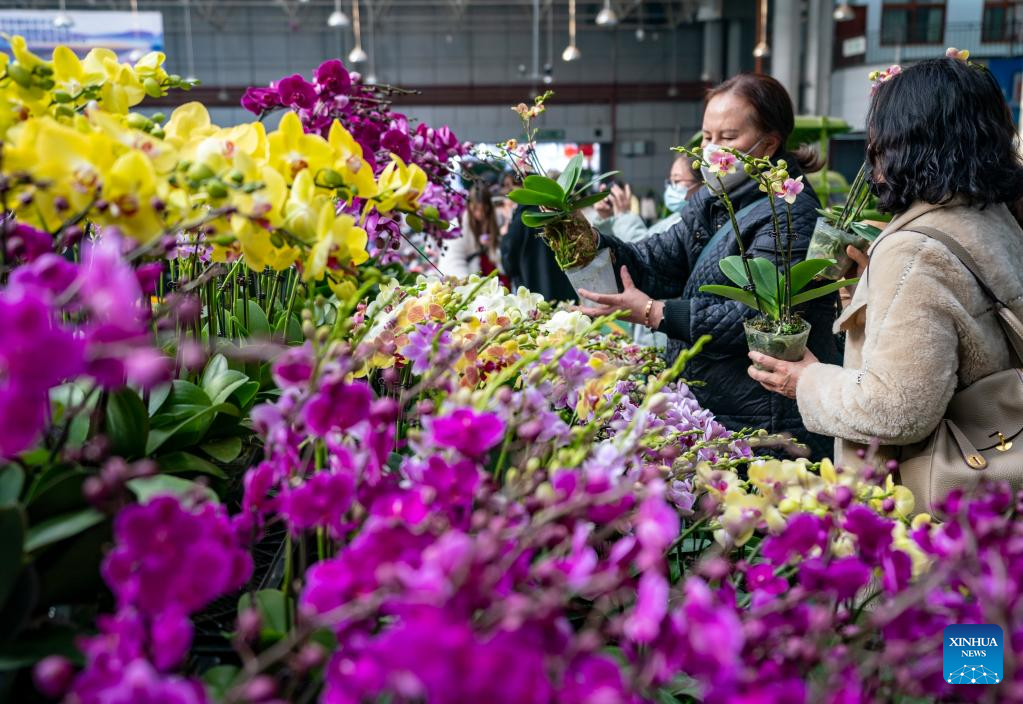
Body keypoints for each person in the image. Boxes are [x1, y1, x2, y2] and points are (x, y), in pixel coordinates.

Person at [747, 57, 1023, 471]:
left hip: (929, 502)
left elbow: (897, 409)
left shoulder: (914, 250)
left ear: (902, 140)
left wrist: (806, 381)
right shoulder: (996, 217)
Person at [575, 73, 841, 458]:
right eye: (706, 137)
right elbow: (654, 260)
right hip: (719, 409)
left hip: (767, 419)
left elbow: (752, 315)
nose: (711, 149)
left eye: (728, 138)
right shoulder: (712, 205)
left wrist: (655, 313)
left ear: (769, 143)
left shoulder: (790, 215)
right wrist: (589, 239)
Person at [594, 157, 702, 242]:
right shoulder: (677, 217)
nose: (670, 186)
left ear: (702, 184)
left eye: (677, 180)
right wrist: (607, 217)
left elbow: (642, 251)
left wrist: (623, 215)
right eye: (670, 181)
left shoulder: (690, 225)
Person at [437, 184, 504, 282]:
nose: (480, 214)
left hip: (490, 271)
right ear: (470, 206)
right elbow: (453, 258)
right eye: (476, 209)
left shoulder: (497, 219)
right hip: (468, 272)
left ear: (489, 207)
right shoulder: (460, 224)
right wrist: (467, 283)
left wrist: (491, 246)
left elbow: (500, 253)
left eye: (484, 209)